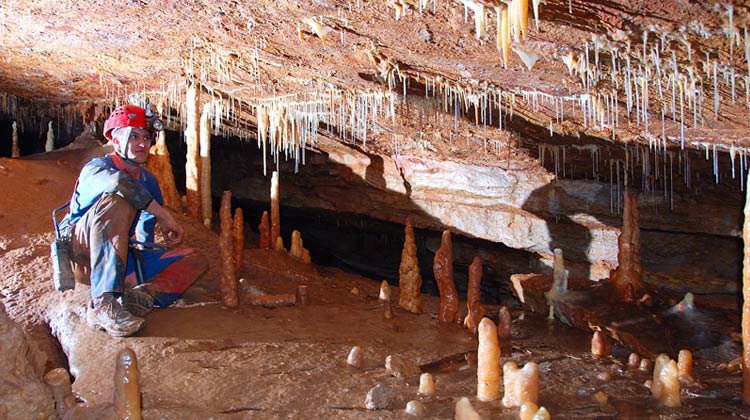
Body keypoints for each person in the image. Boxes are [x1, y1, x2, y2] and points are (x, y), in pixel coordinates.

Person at [60, 105, 206, 337]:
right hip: (84, 255)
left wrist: (140, 266)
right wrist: (165, 215)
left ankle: (142, 295)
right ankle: (102, 304)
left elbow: (145, 227)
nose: (142, 143)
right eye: (134, 136)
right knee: (118, 201)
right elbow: (120, 185)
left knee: (194, 258)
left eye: (147, 137)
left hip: (122, 256)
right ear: (116, 142)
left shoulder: (147, 180)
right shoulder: (96, 169)